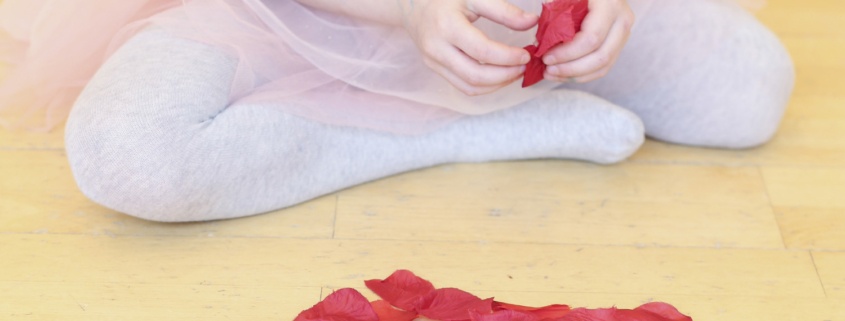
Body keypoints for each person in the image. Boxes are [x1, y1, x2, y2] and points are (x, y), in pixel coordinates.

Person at [0, 0, 794, 222]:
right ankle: (462, 131)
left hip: (524, 15)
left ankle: (506, 92)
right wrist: (406, 11)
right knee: (128, 152)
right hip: (302, 13)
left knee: (751, 91)